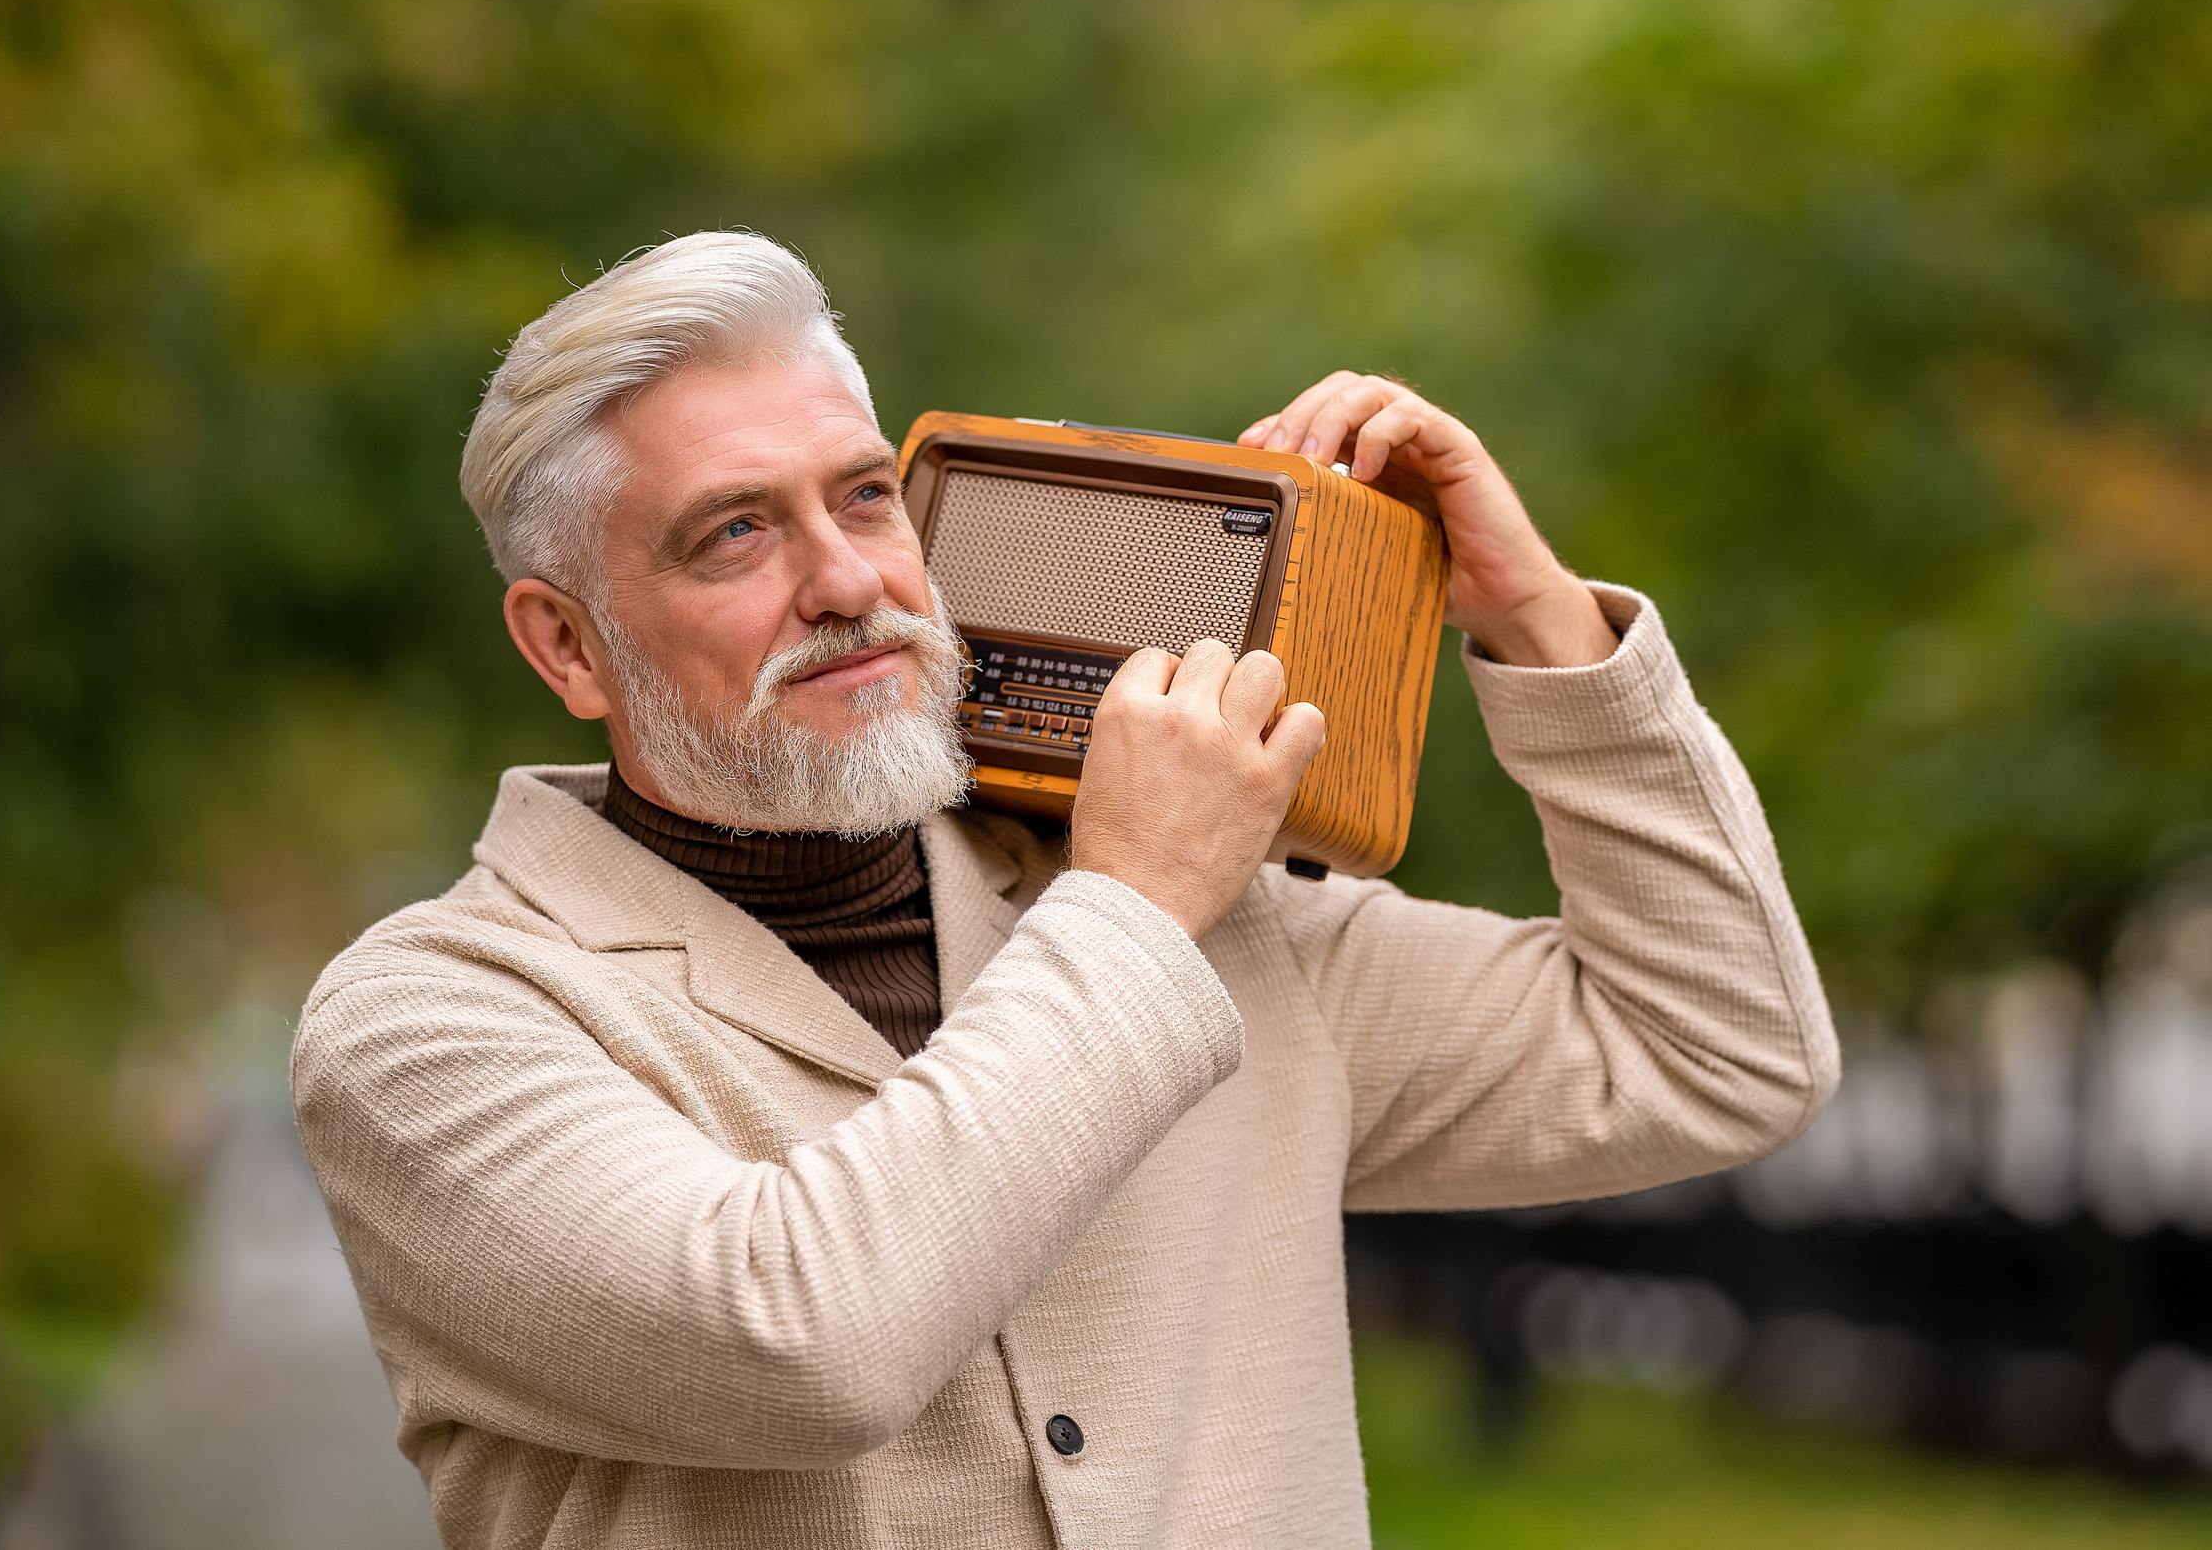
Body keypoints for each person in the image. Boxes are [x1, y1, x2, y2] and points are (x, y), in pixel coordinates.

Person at [291, 230, 1839, 1550]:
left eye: (866, 497)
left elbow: (1721, 1048)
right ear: (565, 646)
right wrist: (1136, 902)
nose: (847, 583)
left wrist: (1540, 627)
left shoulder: (1206, 921)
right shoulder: (429, 1024)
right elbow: (799, 1342)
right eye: (734, 533)